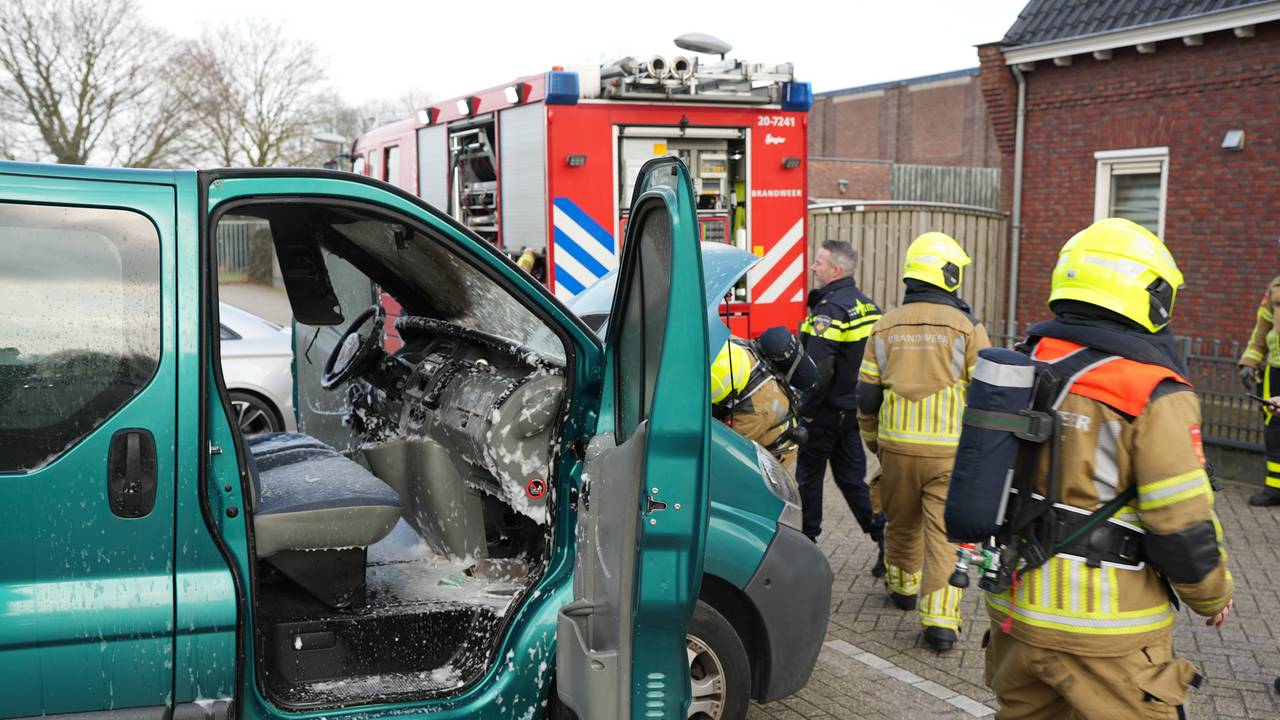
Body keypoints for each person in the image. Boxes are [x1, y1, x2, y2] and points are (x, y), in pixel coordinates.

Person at [982, 218, 1233, 718]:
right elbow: (1180, 526)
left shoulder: (1019, 362)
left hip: (1015, 614)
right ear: (1151, 295)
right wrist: (1212, 595)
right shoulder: (1153, 392)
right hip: (1107, 636)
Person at [856, 232, 989, 651]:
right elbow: (987, 392)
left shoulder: (884, 325)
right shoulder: (967, 328)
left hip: (895, 447)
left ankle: (901, 589)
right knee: (945, 534)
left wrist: (873, 440)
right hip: (948, 453)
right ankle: (940, 623)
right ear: (949, 275)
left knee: (901, 521)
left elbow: (866, 393)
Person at [796, 241, 885, 570]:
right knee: (851, 480)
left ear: (835, 270)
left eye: (818, 263)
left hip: (824, 412)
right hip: (853, 411)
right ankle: (882, 534)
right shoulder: (868, 307)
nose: (813, 268)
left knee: (808, 477)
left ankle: (805, 549)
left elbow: (820, 368)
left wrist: (804, 407)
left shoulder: (829, 310)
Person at [710, 333, 804, 467]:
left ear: (731, 395)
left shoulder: (752, 414)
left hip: (773, 455)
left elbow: (722, 450)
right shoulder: (734, 349)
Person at [1237, 274, 1280, 506]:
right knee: (1273, 428)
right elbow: (1261, 328)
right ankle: (1274, 489)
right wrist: (1249, 362)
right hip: (1275, 369)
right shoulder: (1275, 286)